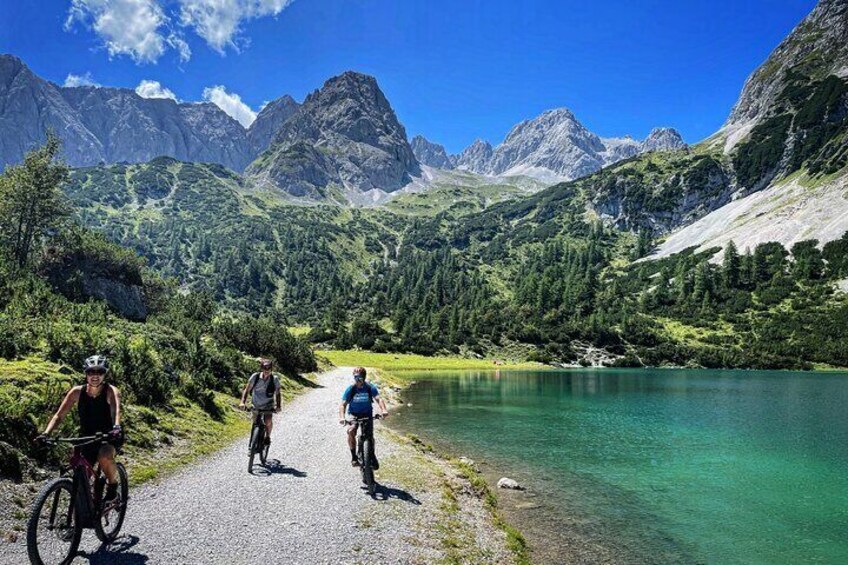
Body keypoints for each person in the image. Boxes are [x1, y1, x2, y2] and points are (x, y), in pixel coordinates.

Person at [38, 355, 123, 503]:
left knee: (104, 456)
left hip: (108, 436)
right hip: (86, 437)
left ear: (105, 374)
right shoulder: (77, 392)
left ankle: (112, 487)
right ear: (85, 373)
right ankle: (84, 508)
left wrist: (116, 427)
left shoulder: (111, 391)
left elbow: (116, 410)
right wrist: (46, 433)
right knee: (80, 472)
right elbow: (59, 416)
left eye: (99, 372)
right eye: (91, 372)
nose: (95, 376)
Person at [338, 367, 388, 467]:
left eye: (359, 377)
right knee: (351, 431)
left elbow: (379, 399)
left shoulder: (370, 387)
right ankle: (354, 457)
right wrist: (342, 417)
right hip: (354, 414)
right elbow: (343, 404)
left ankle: (372, 455)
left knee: (369, 436)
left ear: (364, 378)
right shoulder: (351, 389)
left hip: (367, 414)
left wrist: (384, 410)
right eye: (355, 377)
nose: (357, 379)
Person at [239, 358, 282, 446]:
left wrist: (278, 406)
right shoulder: (255, 377)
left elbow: (278, 393)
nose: (267, 371)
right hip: (256, 404)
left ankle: (268, 437)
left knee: (268, 420)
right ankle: (252, 445)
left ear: (271, 369)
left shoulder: (275, 379)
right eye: (265, 369)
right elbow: (246, 390)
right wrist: (242, 402)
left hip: (268, 405)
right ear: (262, 369)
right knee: (255, 423)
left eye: (269, 369)